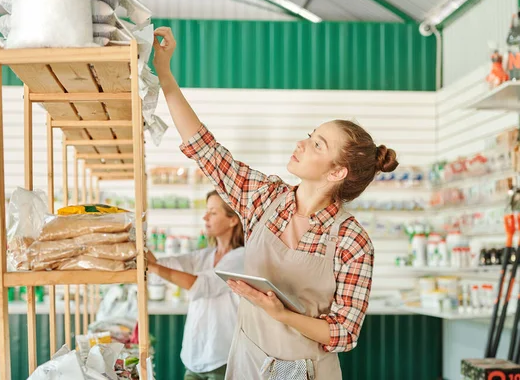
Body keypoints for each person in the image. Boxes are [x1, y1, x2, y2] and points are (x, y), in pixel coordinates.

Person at [151, 27, 400, 380]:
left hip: (307, 372)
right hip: (248, 364)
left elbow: (344, 332)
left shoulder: (352, 241)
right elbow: (205, 148)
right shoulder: (265, 198)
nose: (302, 143)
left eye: (317, 145)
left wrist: (281, 313)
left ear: (336, 173)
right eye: (310, 135)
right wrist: (165, 74)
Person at [147, 190, 245, 380]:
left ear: (233, 220)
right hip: (193, 358)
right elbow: (163, 268)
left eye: (213, 212)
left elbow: (202, 285)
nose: (205, 217)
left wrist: (155, 268)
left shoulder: (241, 258)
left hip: (222, 361)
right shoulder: (204, 255)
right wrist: (138, 241)